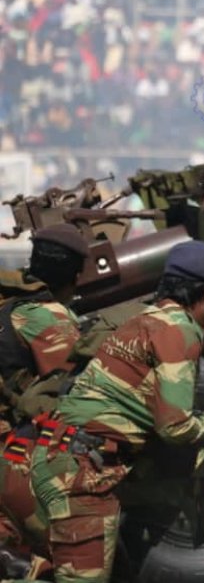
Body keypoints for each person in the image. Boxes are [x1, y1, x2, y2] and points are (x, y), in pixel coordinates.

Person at [28, 240, 204, 583]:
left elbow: (157, 419)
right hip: (80, 475)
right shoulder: (179, 331)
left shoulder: (147, 321)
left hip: (90, 462)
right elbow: (175, 427)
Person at [0, 226, 91, 579]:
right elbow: (72, 396)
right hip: (12, 454)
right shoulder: (48, 316)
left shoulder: (9, 302)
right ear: (75, 275)